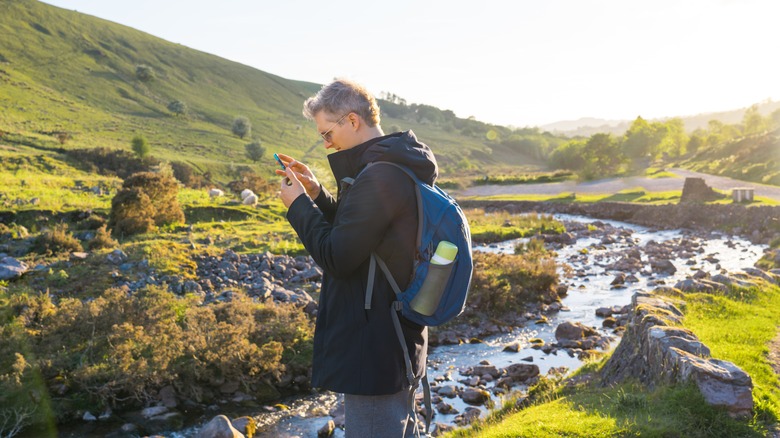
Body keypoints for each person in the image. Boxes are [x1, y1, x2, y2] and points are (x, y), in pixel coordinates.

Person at [277, 78, 437, 437]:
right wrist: (317, 195)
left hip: (375, 344)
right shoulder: (391, 166)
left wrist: (297, 206)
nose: (326, 143)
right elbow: (361, 236)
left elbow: (337, 255)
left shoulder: (379, 175)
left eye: (327, 133)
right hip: (393, 335)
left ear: (352, 121)